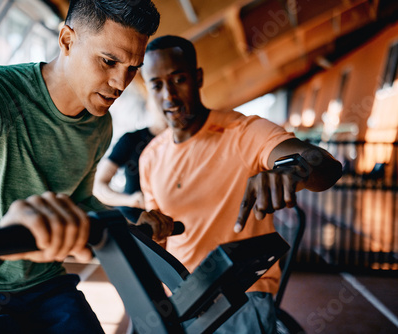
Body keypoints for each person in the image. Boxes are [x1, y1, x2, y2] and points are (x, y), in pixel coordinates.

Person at [0, 1, 162, 333]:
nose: (121, 83)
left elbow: (78, 200)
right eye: (109, 61)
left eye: (133, 67)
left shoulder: (99, 125)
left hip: (43, 285)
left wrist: (132, 219)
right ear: (66, 40)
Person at [139, 35, 342, 334]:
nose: (169, 95)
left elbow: (325, 164)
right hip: (181, 296)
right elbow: (162, 235)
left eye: (178, 79)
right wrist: (154, 229)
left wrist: (291, 171)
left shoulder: (243, 132)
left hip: (242, 293)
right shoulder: (150, 157)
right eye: (157, 85)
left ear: (198, 77)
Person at [93, 97, 167, 222]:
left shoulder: (188, 144)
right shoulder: (131, 139)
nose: (165, 101)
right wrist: (131, 200)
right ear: (148, 104)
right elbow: (98, 186)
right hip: (135, 220)